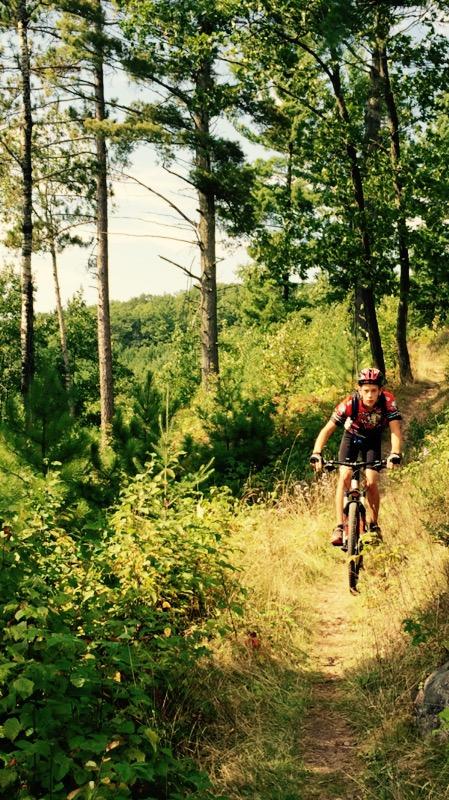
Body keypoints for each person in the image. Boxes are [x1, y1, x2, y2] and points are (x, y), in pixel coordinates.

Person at [309, 367, 402, 546]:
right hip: (351, 438)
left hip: (372, 440)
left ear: (380, 390)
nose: (369, 395)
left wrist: (395, 453)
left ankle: (373, 526)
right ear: (359, 390)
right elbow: (327, 430)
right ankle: (338, 526)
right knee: (344, 476)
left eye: (374, 390)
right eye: (366, 391)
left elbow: (395, 430)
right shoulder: (349, 403)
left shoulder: (388, 401)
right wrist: (317, 453)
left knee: (372, 480)